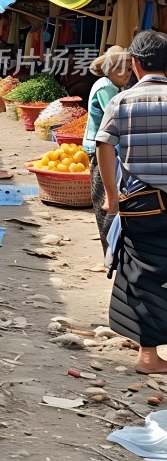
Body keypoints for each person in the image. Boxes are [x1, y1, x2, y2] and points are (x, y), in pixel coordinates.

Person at [95, 31, 167, 374]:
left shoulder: (122, 101)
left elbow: (104, 146)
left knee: (143, 275)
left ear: (135, 64)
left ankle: (148, 355)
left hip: (141, 203)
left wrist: (111, 197)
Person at [81, 45, 131, 255]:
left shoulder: (113, 86)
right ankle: (109, 252)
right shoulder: (106, 88)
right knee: (106, 201)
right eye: (123, 69)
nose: (127, 74)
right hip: (101, 149)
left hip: (109, 148)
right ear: (110, 68)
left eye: (130, 68)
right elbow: (116, 116)